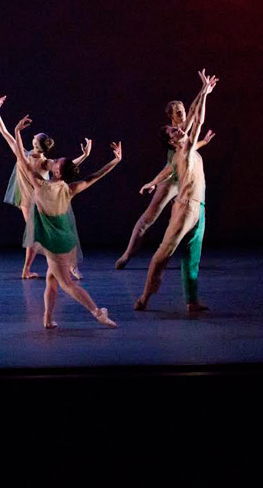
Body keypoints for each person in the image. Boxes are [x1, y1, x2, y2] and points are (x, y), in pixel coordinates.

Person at [12, 116, 121, 329]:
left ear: (57, 171)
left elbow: (21, 158)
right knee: (51, 281)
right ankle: (47, 319)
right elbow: (95, 176)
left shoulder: (40, 185)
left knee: (66, 284)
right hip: (64, 237)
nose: (56, 160)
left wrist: (16, 131)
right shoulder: (70, 189)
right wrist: (115, 161)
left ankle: (98, 313)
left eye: (58, 162)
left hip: (54, 243)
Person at [134, 70, 218, 312]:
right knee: (163, 253)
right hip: (185, 207)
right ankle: (144, 297)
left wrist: (204, 91)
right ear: (171, 141)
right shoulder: (184, 148)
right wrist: (203, 93)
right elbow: (198, 120)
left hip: (199, 209)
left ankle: (191, 301)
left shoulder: (186, 149)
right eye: (174, 131)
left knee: (192, 257)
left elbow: (170, 170)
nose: (179, 130)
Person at [0, 94, 91, 279]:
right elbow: (66, 167)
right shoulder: (45, 161)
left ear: (36, 144)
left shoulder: (26, 156)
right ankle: (57, 266)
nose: (33, 136)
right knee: (41, 236)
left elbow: (5, 133)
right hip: (33, 199)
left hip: (34, 200)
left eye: (35, 137)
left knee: (40, 236)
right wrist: (84, 156)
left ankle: (60, 266)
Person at [115, 98, 215, 269]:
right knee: (149, 217)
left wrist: (204, 142)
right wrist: (204, 90)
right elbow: (193, 114)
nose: (181, 113)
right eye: (177, 111)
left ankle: (185, 257)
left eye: (182, 109)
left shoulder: (183, 133)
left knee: (192, 217)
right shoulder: (175, 131)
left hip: (187, 179)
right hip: (171, 179)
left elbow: (189, 147)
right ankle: (127, 254)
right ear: (171, 116)